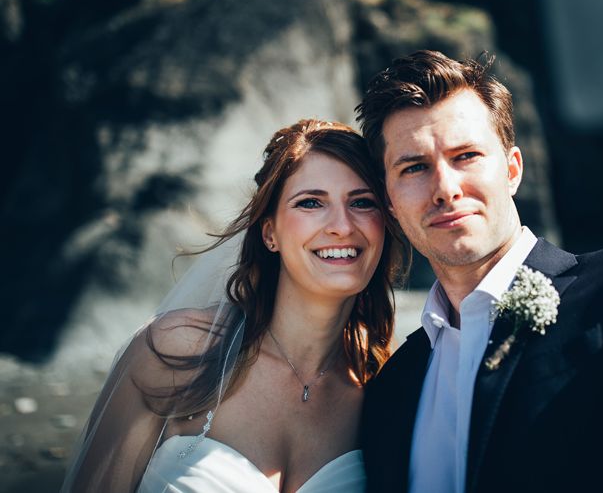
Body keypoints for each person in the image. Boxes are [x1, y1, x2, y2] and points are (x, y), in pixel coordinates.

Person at [356, 48, 603, 493]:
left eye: (467, 156)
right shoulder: (392, 387)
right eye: (414, 167)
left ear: (512, 170)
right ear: (391, 203)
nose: (446, 189)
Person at [61, 118, 405, 493]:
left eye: (362, 202)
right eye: (310, 202)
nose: (342, 225)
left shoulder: (381, 384)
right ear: (270, 233)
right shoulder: (174, 352)